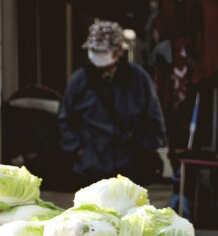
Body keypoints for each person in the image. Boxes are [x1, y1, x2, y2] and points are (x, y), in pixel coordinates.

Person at [58, 21, 166, 186]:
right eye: (96, 50)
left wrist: (143, 150)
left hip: (131, 174)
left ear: (119, 51)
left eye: (104, 50)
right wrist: (78, 151)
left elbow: (155, 121)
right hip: (89, 173)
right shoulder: (79, 81)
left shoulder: (138, 78)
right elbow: (65, 120)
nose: (100, 55)